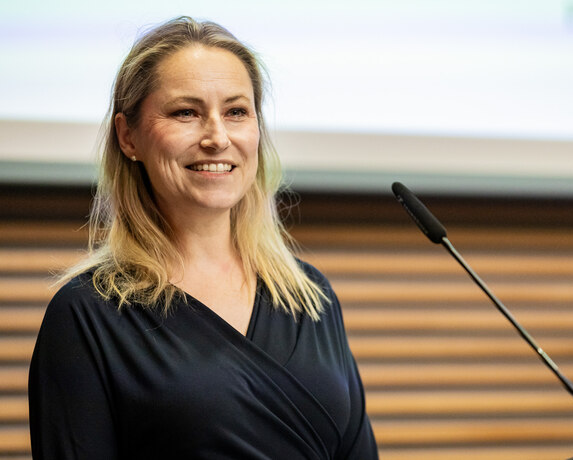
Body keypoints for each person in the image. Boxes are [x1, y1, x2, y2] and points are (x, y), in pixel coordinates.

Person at [28, 16, 378, 459]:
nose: (217, 137)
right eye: (186, 113)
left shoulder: (310, 296)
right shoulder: (87, 316)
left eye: (236, 112)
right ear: (128, 136)